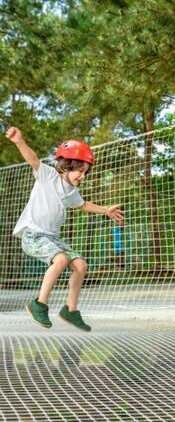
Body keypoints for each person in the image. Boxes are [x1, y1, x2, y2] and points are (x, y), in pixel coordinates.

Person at [6, 126, 124, 331]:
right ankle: (39, 304)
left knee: (80, 265)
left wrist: (106, 210)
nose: (83, 177)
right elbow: (33, 159)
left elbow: (83, 205)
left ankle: (70, 310)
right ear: (66, 166)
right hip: (33, 235)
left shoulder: (71, 192)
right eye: (80, 171)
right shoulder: (48, 175)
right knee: (60, 260)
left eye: (85, 173)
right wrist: (19, 142)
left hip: (51, 238)